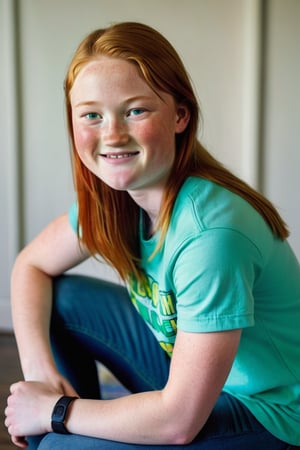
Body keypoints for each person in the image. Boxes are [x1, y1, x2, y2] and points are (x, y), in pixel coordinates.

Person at [4, 21, 300, 450]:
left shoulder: (211, 233)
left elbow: (179, 421)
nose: (112, 134)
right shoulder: (120, 196)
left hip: (269, 413)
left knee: (57, 443)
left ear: (181, 115)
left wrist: (55, 414)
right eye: (91, 115)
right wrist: (42, 378)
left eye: (135, 110)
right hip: (193, 379)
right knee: (60, 303)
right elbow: (31, 265)